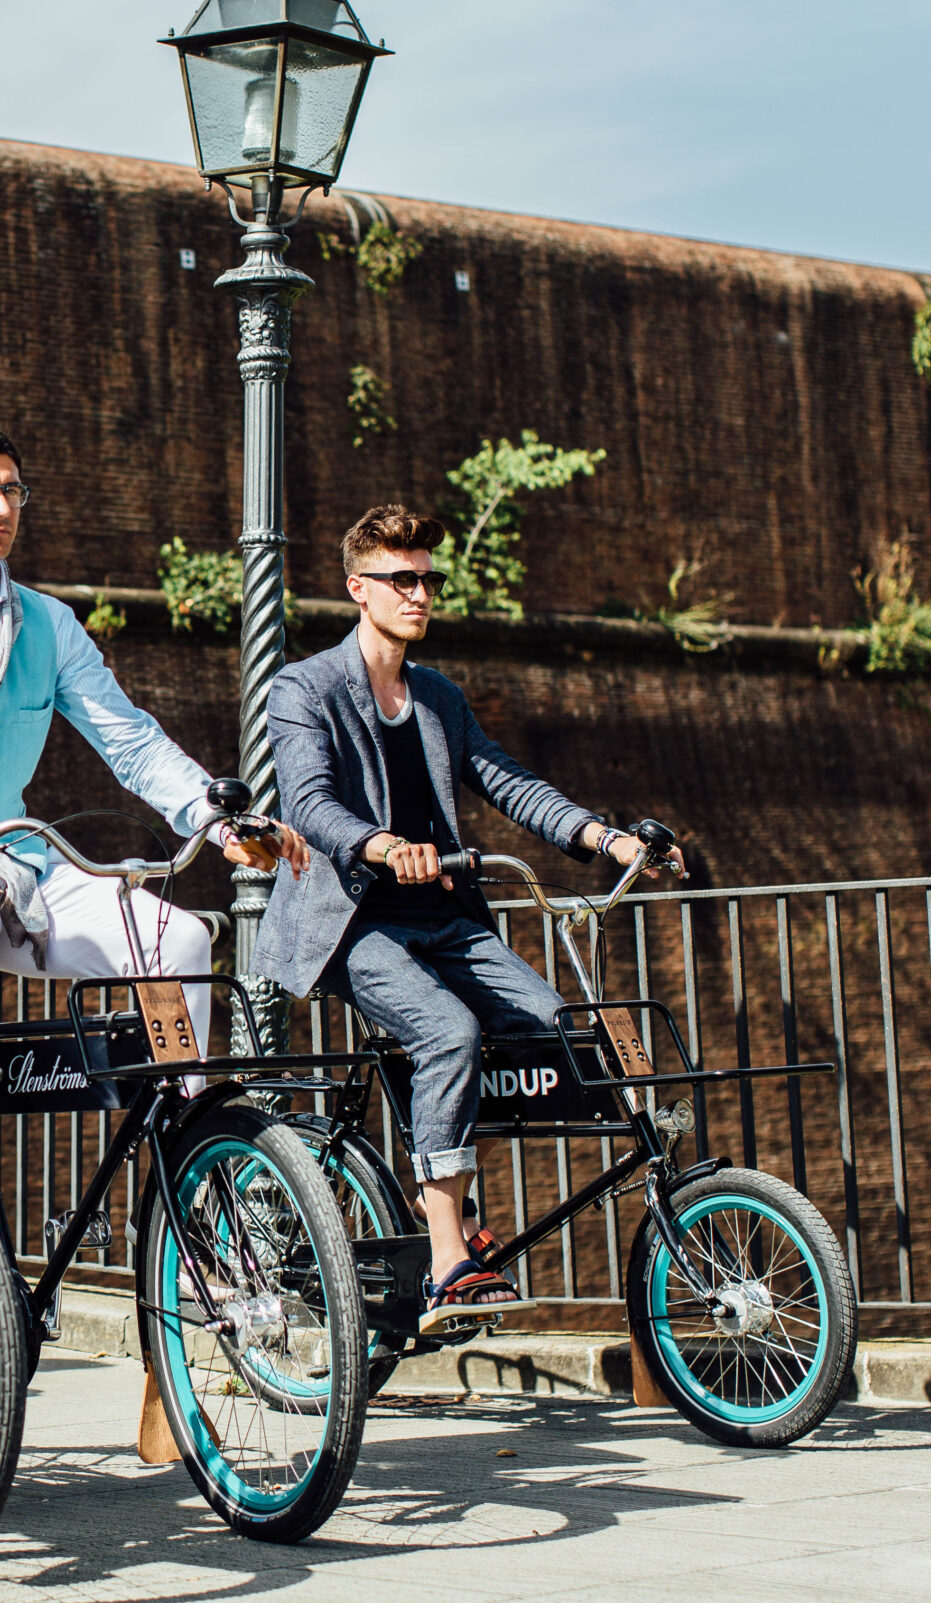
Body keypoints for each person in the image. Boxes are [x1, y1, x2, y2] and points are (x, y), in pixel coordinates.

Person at [0, 420, 306, 1429]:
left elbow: (127, 737)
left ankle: (189, 1200)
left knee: (179, 940)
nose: (2, 508)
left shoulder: (46, 622)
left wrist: (219, 820)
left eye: (13, 491)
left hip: (20, 872)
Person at [253, 504, 681, 1334]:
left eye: (428, 579)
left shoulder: (438, 697)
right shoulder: (306, 687)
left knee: (557, 1027)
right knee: (447, 1030)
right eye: (401, 579)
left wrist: (607, 838)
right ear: (358, 588)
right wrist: (381, 844)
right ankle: (449, 1253)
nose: (420, 593)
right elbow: (308, 802)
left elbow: (508, 781)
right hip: (354, 922)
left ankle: (446, 1181)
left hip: (445, 917)